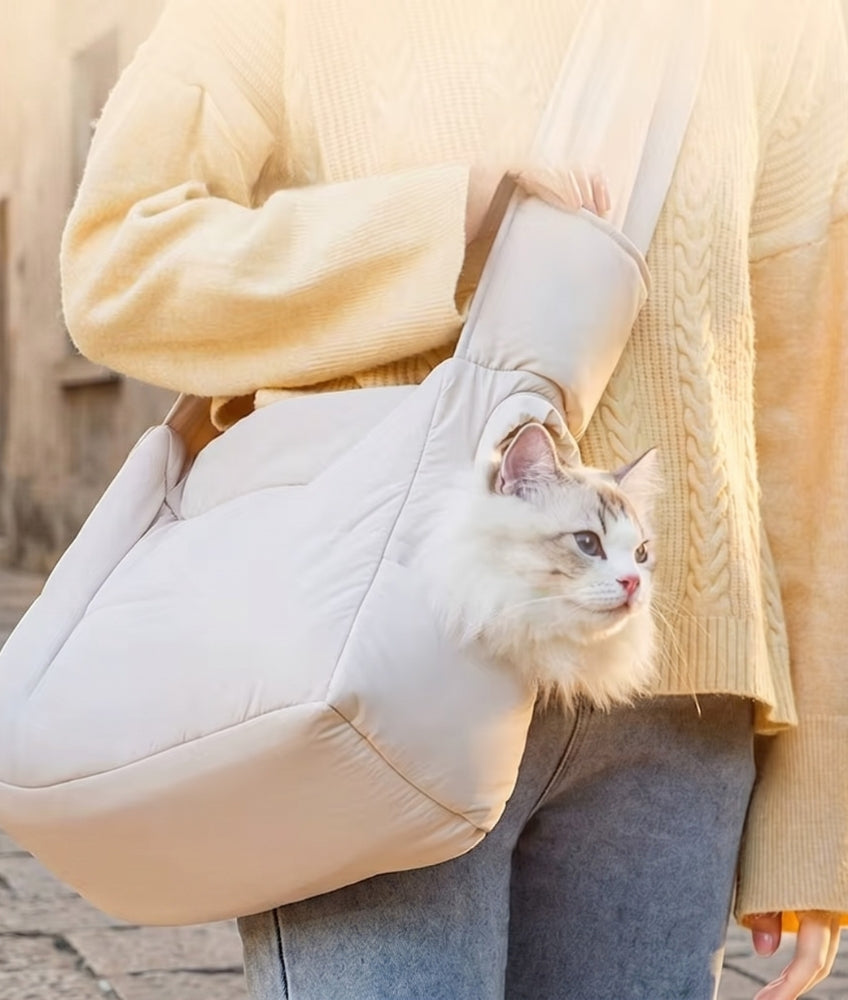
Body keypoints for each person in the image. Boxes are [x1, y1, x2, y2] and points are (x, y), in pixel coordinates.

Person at [59, 0, 848, 996]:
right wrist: (441, 222)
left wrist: (812, 820)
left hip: (677, 711)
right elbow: (119, 264)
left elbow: (807, 419)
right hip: (382, 663)